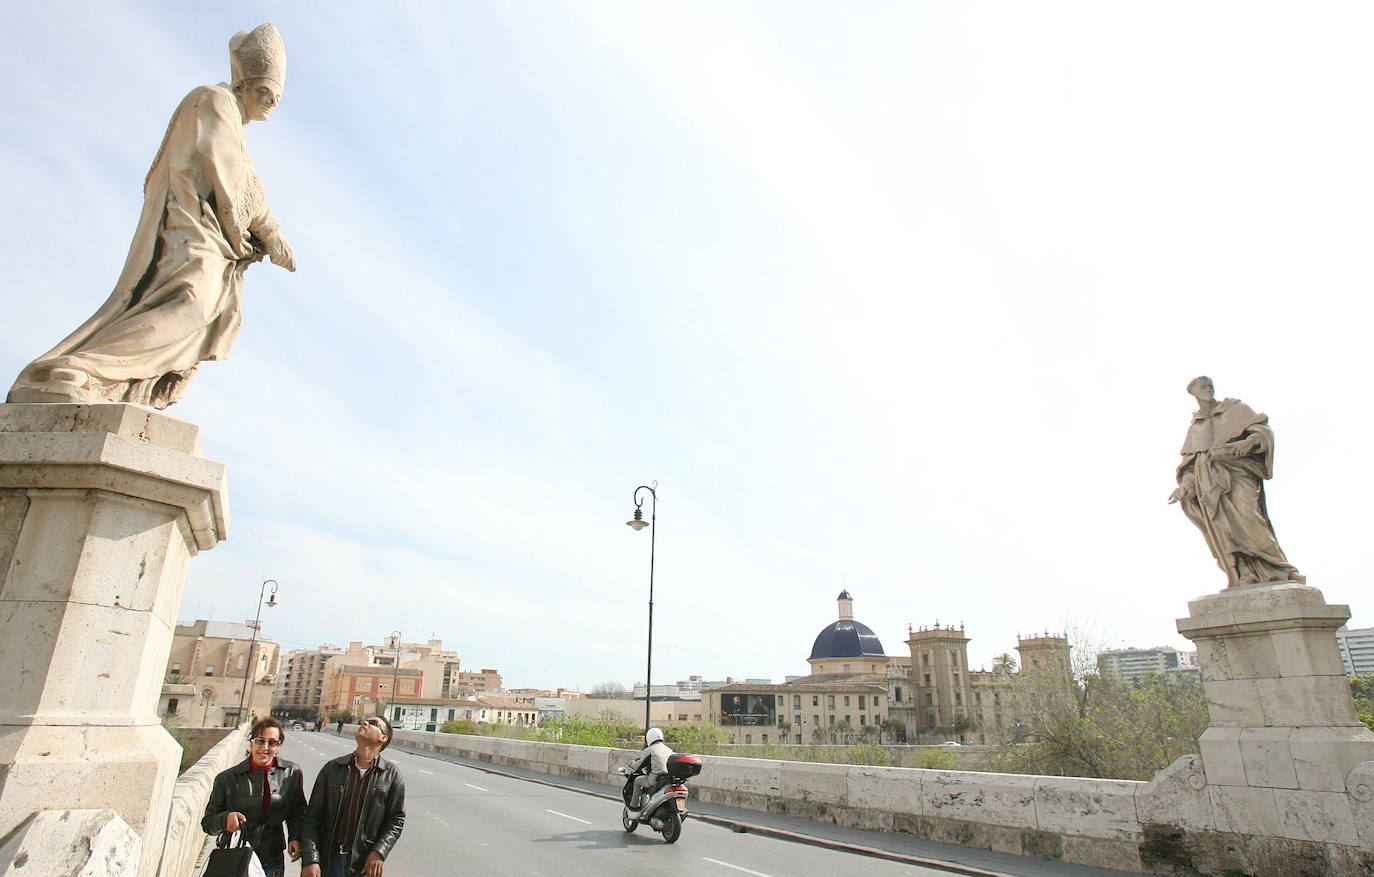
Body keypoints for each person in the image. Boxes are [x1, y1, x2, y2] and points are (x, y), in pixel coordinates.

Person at [6, 23, 295, 410]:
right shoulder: (213, 101)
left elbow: (242, 180)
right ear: (244, 82)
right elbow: (233, 178)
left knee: (196, 308)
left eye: (276, 98)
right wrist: (270, 231)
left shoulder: (233, 121)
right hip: (187, 230)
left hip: (206, 231)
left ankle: (99, 375)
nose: (271, 105)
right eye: (267, 93)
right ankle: (81, 368)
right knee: (193, 302)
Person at [1170, 376, 1303, 588]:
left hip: (1239, 474)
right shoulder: (1195, 428)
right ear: (1192, 392)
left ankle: (1280, 569)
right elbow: (1191, 466)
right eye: (1203, 387)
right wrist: (1185, 487)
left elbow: (1263, 431)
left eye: (1211, 386)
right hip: (1211, 486)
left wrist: (1249, 442)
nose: (1209, 389)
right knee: (1226, 531)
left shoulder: (1235, 409)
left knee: (1249, 518)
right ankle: (1245, 572)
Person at [201, 717, 307, 877]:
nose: (265, 748)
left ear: (278, 746)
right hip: (236, 856)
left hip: (272, 857)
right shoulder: (227, 778)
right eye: (259, 741)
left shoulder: (291, 773)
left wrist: (295, 837)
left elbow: (297, 812)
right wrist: (225, 819)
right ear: (251, 743)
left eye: (272, 742)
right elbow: (207, 824)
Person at [301, 716, 406, 877]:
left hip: (364, 864)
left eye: (373, 724)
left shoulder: (391, 775)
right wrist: (311, 859)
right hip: (329, 860)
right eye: (364, 721)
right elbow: (312, 817)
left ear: (383, 738)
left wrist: (379, 852)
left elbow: (395, 819)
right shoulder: (332, 769)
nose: (364, 723)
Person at [623, 727, 674, 809]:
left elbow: (638, 765)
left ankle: (634, 806)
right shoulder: (669, 750)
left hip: (654, 779)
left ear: (649, 738)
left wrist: (631, 763)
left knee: (637, 781)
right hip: (667, 779)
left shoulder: (649, 750)